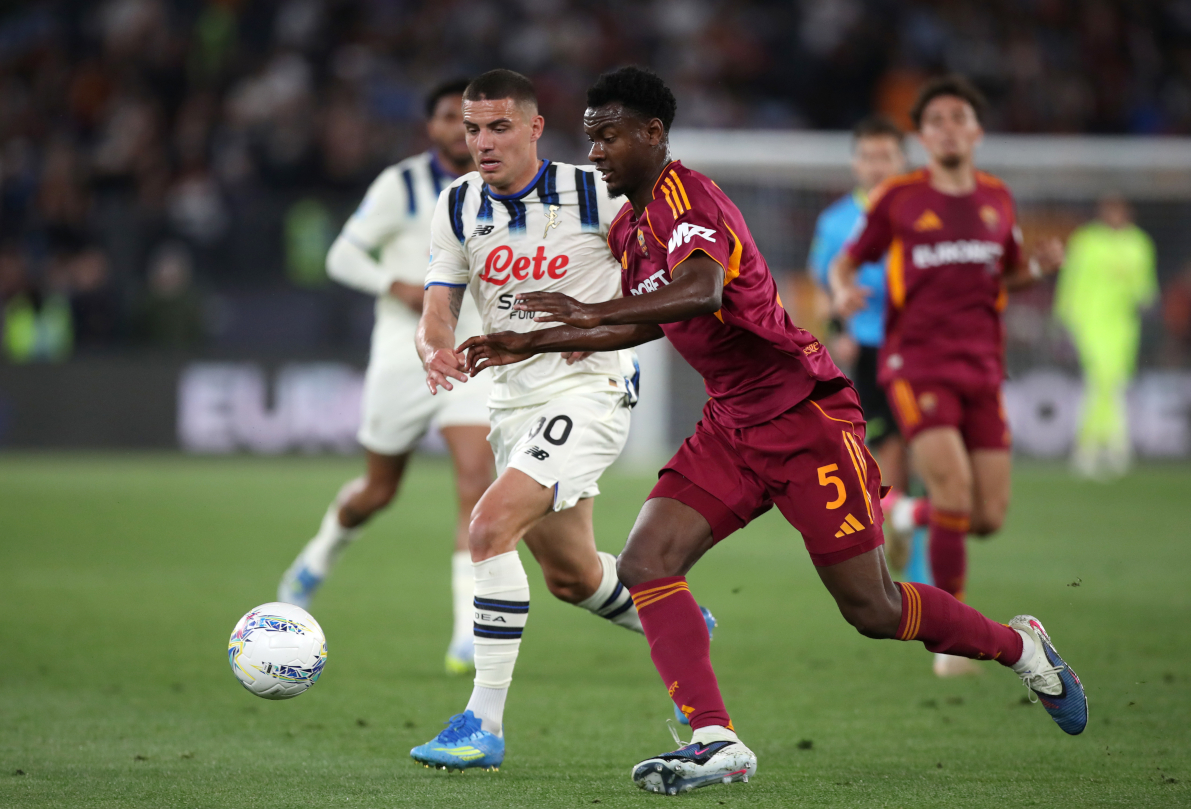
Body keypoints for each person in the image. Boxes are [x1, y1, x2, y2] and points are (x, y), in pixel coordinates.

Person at [461, 67, 1087, 796]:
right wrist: (532, 339)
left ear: (653, 134)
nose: (594, 152)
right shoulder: (631, 226)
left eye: (608, 136)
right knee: (647, 560)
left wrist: (583, 314)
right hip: (731, 422)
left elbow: (702, 290)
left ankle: (1023, 649)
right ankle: (714, 738)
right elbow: (654, 318)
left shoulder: (689, 199)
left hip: (803, 418)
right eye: (590, 137)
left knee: (874, 608)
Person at [410, 68, 701, 772]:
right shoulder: (456, 204)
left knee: (487, 525)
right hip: (512, 399)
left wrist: (600, 323)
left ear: (535, 128)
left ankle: (481, 723)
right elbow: (439, 303)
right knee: (572, 576)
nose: (481, 141)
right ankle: (680, 623)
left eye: (498, 126)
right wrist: (434, 345)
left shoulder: (595, 190)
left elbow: (659, 279)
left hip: (589, 389)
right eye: (471, 128)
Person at [831, 75, 1067, 677]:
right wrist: (841, 291)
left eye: (958, 117)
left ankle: (906, 514)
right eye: (934, 120)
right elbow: (847, 259)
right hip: (915, 363)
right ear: (922, 136)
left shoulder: (997, 199)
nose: (947, 128)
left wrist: (1036, 271)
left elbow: (1006, 275)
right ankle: (954, 636)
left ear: (977, 131)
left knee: (986, 516)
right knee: (955, 492)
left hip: (983, 367)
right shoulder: (901, 197)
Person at [276, 79, 496, 676]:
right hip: (405, 353)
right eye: (452, 117)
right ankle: (316, 558)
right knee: (378, 491)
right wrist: (393, 285)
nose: (462, 129)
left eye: (472, 119)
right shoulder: (400, 184)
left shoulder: (504, 187)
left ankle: (466, 633)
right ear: (432, 127)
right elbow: (341, 255)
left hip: (472, 352)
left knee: (476, 482)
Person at [807, 115, 912, 568]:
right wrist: (839, 333)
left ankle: (896, 513)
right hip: (867, 343)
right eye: (868, 156)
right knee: (884, 437)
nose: (877, 165)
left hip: (919, 342)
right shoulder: (836, 222)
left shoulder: (921, 211)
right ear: (855, 162)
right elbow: (825, 286)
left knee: (910, 437)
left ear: (902, 160)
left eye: (885, 156)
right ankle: (894, 517)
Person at [1056, 195, 1157, 479]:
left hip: (1122, 327)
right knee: (1100, 379)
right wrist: (1064, 317)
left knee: (1111, 384)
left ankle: (1098, 445)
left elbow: (1145, 288)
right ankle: (1105, 446)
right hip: (1089, 322)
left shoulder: (1139, 244)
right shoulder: (1086, 241)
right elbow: (1070, 281)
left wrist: (1145, 302)